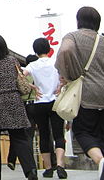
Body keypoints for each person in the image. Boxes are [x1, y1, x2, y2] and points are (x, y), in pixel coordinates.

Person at [55, 6, 104, 180]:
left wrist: (68, 75)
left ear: (79, 20)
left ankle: (100, 160)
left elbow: (65, 51)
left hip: (86, 93)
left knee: (83, 131)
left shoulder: (72, 37)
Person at [0, 33, 37, 180]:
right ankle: (30, 171)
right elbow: (20, 77)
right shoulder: (12, 61)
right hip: (13, 101)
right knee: (19, 138)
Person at [24, 38, 67, 179]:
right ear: (48, 49)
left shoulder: (32, 65)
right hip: (56, 101)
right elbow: (67, 76)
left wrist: (32, 87)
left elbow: (19, 76)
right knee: (58, 134)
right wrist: (60, 86)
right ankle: (60, 165)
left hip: (40, 102)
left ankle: (48, 168)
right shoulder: (56, 62)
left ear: (35, 51)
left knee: (43, 134)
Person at [7, 54, 39, 171]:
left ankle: (12, 159)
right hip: (35, 104)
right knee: (29, 135)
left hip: (22, 105)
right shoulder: (37, 74)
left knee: (18, 133)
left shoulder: (23, 74)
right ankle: (31, 164)